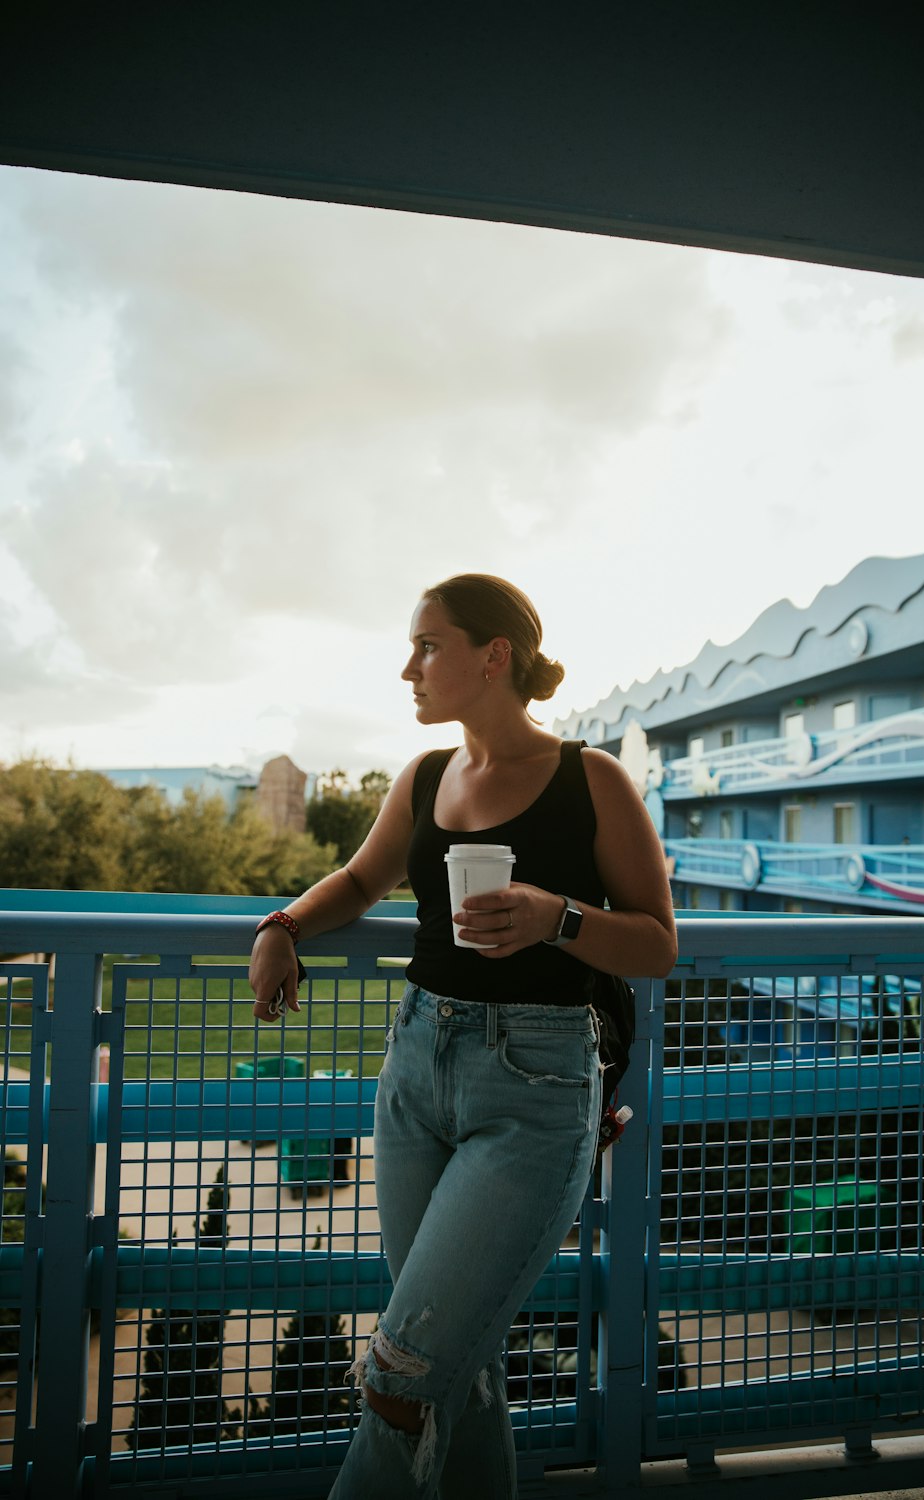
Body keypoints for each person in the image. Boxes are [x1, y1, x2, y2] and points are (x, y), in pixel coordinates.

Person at [249, 573, 677, 1500]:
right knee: (460, 1362)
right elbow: (361, 882)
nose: (409, 668)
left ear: (495, 657)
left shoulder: (590, 779)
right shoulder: (427, 776)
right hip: (414, 1072)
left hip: (533, 1089)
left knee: (405, 1373)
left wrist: (554, 917)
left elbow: (657, 943)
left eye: (428, 646)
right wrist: (282, 925)